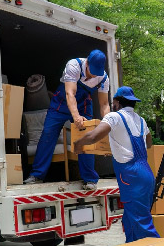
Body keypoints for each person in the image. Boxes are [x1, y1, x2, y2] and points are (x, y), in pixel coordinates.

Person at [73, 86, 160, 243]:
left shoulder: (114, 117)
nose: (112, 105)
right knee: (130, 220)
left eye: (113, 102)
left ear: (118, 102)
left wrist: (78, 144)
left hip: (132, 176)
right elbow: (148, 143)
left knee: (142, 224)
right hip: (146, 173)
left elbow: (93, 136)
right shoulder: (141, 120)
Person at [23, 50, 110, 190]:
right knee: (48, 134)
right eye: (91, 71)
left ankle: (90, 179)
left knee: (87, 138)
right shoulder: (74, 65)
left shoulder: (104, 78)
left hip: (84, 105)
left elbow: (104, 104)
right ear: (87, 62)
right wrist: (76, 117)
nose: (93, 75)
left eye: (96, 73)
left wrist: (108, 124)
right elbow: (70, 93)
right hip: (61, 103)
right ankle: (37, 175)